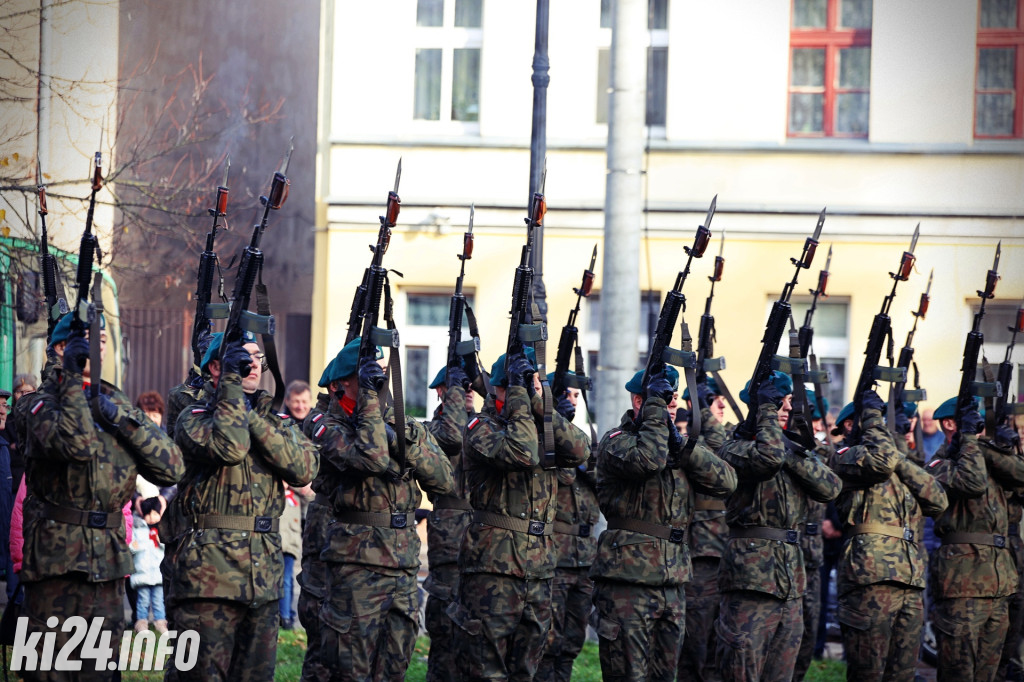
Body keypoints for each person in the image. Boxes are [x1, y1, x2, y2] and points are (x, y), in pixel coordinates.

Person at [19, 313, 184, 680]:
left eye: (106, 340)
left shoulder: (117, 402)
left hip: (107, 566)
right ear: (63, 348)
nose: (103, 346)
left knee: (102, 672)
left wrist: (120, 419)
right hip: (56, 567)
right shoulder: (37, 404)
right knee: (49, 671)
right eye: (93, 339)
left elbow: (172, 468)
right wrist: (74, 381)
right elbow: (75, 444)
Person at [165, 331, 318, 681]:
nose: (252, 365)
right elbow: (230, 447)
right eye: (241, 359)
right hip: (209, 576)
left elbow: (304, 469)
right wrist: (234, 394)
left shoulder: (276, 421)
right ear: (216, 368)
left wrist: (252, 417)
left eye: (256, 358)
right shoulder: (194, 416)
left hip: (263, 575)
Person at [310, 337, 455, 681]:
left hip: (403, 565)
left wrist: (399, 437)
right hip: (356, 567)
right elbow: (370, 458)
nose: (378, 383)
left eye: (381, 377)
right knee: (351, 671)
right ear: (339, 385)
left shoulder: (404, 424)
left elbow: (444, 480)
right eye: (368, 378)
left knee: (394, 670)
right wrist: (373, 409)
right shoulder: (325, 426)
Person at [448, 349, 590, 681]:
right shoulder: (480, 427)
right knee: (487, 670)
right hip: (493, 569)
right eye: (518, 387)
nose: (527, 393)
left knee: (528, 670)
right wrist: (520, 400)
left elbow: (581, 449)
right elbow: (522, 452)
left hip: (538, 569)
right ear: (499, 389)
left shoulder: (540, 425)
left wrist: (542, 404)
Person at [589, 367, 735, 681]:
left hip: (673, 581)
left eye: (671, 400)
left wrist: (682, 444)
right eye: (663, 399)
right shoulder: (616, 441)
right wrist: (658, 417)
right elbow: (647, 459)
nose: (672, 406)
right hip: (627, 580)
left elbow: (726, 482)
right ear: (640, 401)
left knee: (665, 675)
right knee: (629, 674)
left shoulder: (677, 448)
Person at [715, 370, 841, 682]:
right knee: (742, 670)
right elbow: (768, 458)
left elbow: (831, 487)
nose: (787, 408)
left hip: (790, 582)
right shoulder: (734, 448)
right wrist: (768, 416)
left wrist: (793, 453)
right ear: (761, 407)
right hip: (751, 580)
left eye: (787, 402)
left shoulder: (794, 452)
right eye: (778, 402)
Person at [829, 389, 948, 680]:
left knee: (903, 673)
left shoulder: (896, 461)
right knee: (868, 671)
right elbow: (881, 462)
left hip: (909, 577)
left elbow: (938, 500)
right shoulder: (846, 456)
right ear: (850, 425)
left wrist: (900, 459)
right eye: (872, 419)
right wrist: (871, 418)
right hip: (870, 576)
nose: (880, 424)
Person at [928, 396, 1024, 682]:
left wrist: (1008, 448)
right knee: (959, 672)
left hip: (998, 582)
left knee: (989, 673)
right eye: (975, 422)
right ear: (950, 424)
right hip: (962, 583)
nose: (982, 429)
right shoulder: (938, 463)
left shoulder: (989, 462)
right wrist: (969, 439)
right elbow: (971, 482)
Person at [538, 370, 598, 682]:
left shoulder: (591, 440)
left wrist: (589, 463)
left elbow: (607, 483)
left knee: (573, 640)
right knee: (549, 639)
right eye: (566, 395)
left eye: (576, 395)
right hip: (556, 557)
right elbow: (561, 477)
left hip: (585, 559)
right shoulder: (543, 437)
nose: (572, 401)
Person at [678, 376, 733, 682]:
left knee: (720, 648)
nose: (721, 405)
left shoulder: (731, 439)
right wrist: (700, 405)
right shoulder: (690, 443)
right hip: (700, 558)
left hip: (729, 556)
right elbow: (717, 448)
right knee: (696, 649)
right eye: (713, 400)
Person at [421, 364, 471, 682]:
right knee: (445, 625)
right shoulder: (432, 429)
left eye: (466, 388)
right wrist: (454, 396)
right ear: (442, 392)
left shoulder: (484, 426)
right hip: (450, 538)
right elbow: (451, 439)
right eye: (455, 388)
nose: (464, 393)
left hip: (484, 537)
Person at [130, 496, 167, 634]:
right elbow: (132, 546)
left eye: (155, 514)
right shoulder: (138, 529)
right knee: (142, 601)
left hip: (157, 573)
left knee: (158, 600)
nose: (152, 518)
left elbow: (167, 546)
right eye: (149, 514)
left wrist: (161, 541)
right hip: (142, 572)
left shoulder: (161, 529)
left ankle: (160, 622)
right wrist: (134, 546)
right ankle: (141, 623)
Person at [278, 482, 304, 630]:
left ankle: (287, 616)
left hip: (290, 546)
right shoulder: (275, 491)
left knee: (288, 580)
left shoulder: (296, 496)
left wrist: (293, 485)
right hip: (276, 543)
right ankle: (283, 616)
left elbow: (310, 494)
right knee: (281, 580)